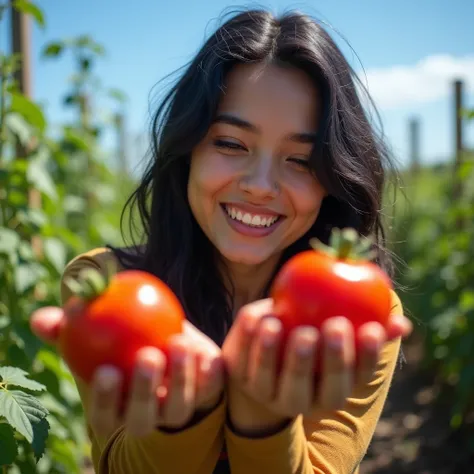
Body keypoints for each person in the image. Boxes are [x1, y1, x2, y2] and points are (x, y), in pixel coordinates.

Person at [30, 8, 412, 474]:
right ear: (187, 149)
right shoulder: (107, 290)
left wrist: (263, 418)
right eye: (231, 144)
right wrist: (190, 410)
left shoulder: (360, 312)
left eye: (302, 160)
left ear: (332, 179)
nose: (260, 185)